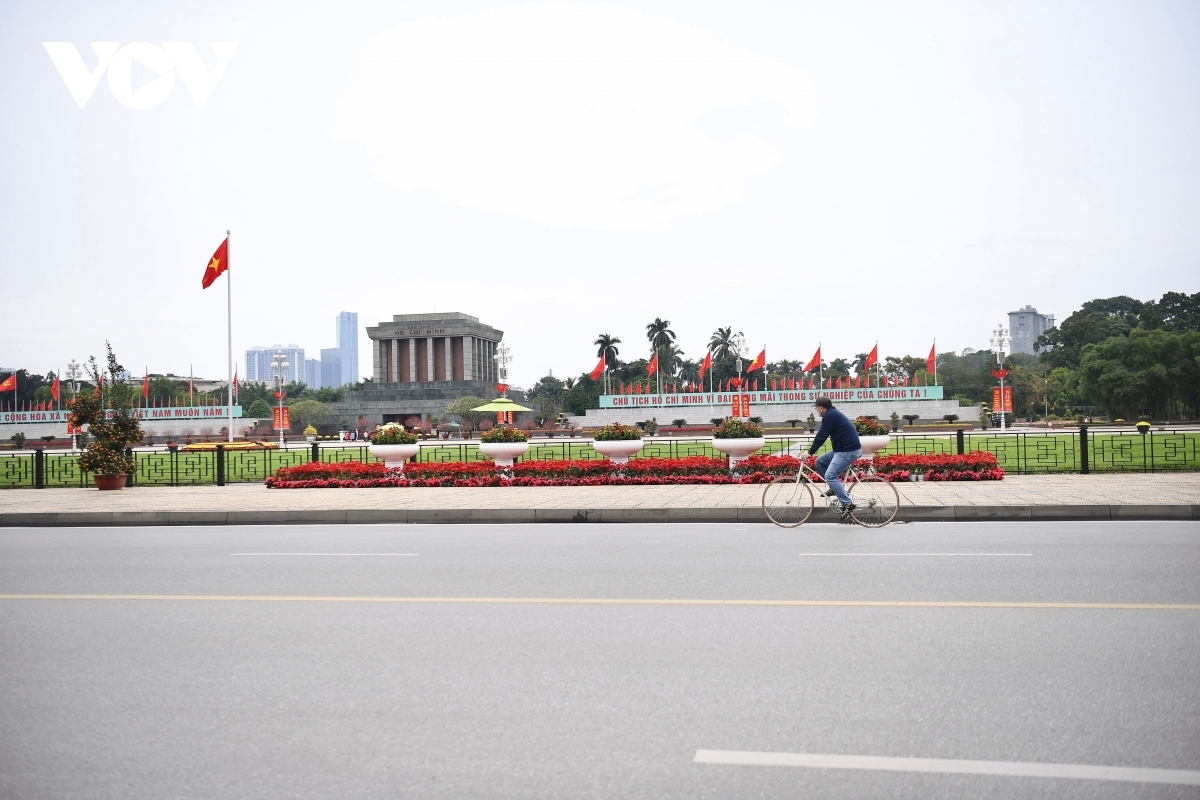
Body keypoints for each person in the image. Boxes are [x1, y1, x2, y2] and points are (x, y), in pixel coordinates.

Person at [806, 396, 862, 519]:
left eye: (816, 408)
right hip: (842, 450)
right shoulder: (832, 413)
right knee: (820, 461)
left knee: (830, 475)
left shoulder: (830, 416)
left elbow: (821, 436)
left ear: (821, 408)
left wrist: (810, 452)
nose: (816, 410)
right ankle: (834, 488)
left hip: (848, 451)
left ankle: (847, 504)